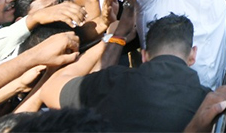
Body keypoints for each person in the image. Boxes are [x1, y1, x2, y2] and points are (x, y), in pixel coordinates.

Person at [43, 14, 211, 132]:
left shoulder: (112, 81)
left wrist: (115, 37)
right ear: (192, 55)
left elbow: (50, 88)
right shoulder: (210, 105)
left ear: (144, 55)